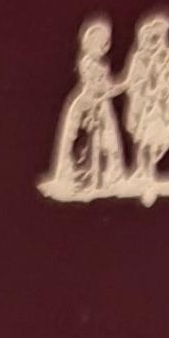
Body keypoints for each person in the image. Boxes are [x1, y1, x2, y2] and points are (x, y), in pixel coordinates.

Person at [38, 16, 127, 202]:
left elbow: (107, 86)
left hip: (101, 105)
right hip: (88, 105)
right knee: (86, 140)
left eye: (105, 42)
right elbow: (96, 87)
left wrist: (122, 85)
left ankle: (104, 178)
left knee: (108, 141)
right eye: (99, 42)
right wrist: (115, 89)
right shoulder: (87, 63)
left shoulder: (102, 64)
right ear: (89, 43)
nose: (103, 47)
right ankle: (83, 178)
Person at [120, 11, 169, 205]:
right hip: (146, 109)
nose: (157, 40)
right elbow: (134, 82)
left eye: (161, 36)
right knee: (146, 140)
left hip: (162, 108)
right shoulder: (139, 58)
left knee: (157, 141)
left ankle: (145, 171)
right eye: (154, 36)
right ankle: (147, 176)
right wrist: (147, 90)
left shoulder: (167, 56)